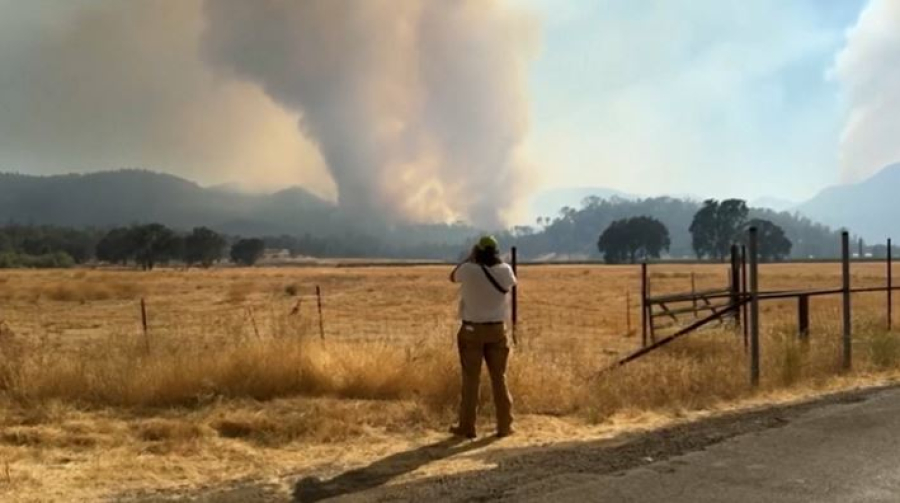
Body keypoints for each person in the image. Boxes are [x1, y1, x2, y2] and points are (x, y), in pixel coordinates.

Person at [448, 235, 517, 439]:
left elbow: (452, 276)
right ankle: (505, 425)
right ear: (495, 252)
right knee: (499, 378)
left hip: (472, 330)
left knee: (471, 380)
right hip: (497, 330)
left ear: (477, 251)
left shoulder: (468, 269)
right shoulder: (505, 270)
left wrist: (470, 257)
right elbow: (510, 283)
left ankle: (467, 426)